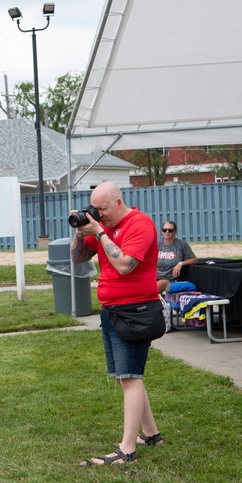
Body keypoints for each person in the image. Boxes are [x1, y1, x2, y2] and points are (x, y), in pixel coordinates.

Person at [71, 181, 163, 465]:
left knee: (130, 378)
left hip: (135, 311)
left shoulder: (140, 224)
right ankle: (151, 434)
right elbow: (78, 259)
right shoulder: (103, 227)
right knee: (128, 376)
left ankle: (127, 450)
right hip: (112, 311)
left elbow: (124, 265)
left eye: (102, 209)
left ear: (118, 202)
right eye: (94, 210)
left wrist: (99, 232)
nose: (98, 215)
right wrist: (78, 232)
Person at [155, 220, 197, 293]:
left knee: (157, 286)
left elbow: (193, 259)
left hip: (170, 279)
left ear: (175, 232)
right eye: (164, 230)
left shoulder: (181, 245)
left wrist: (180, 263)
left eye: (170, 230)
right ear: (161, 232)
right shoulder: (157, 244)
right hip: (154, 277)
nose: (167, 232)